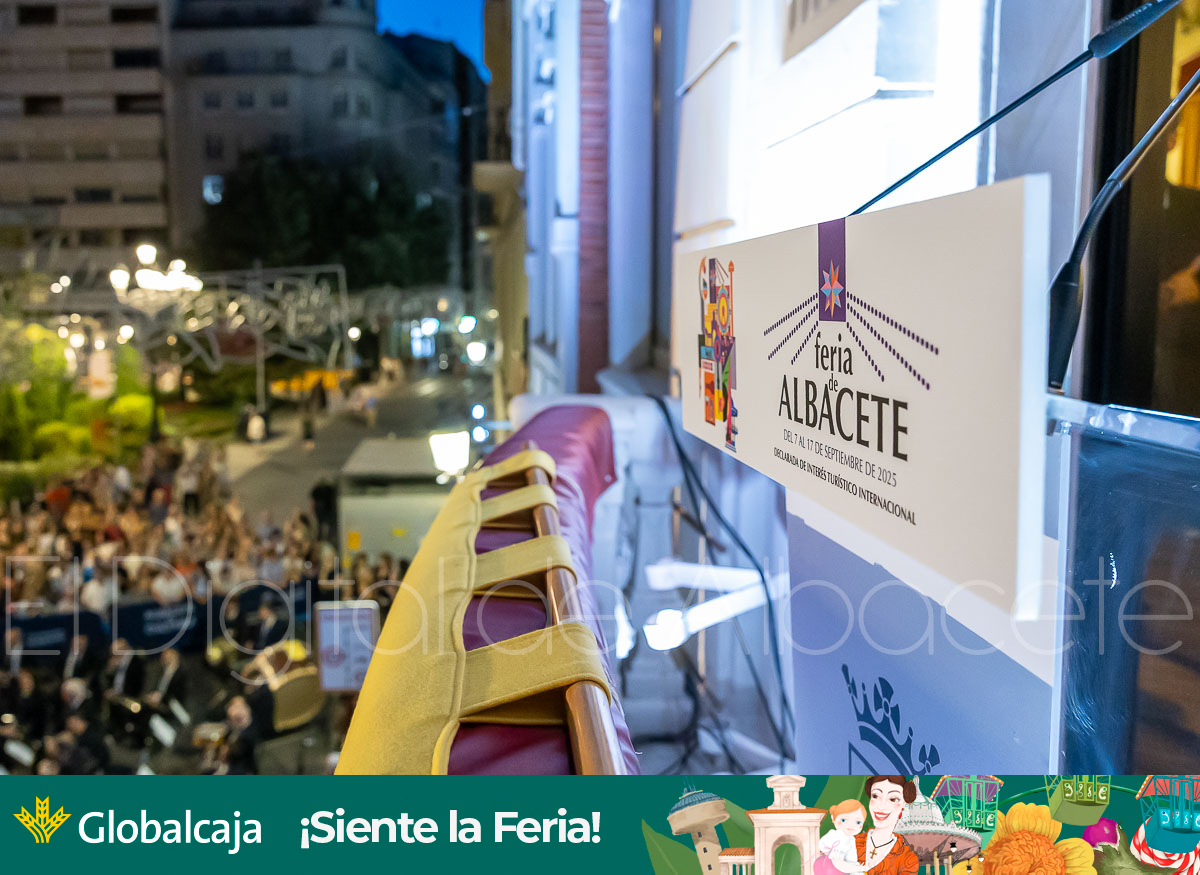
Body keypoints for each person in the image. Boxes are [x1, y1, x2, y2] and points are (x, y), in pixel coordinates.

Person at [855, 776, 920, 875]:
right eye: (875, 796)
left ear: (904, 803)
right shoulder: (851, 842)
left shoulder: (907, 860)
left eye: (893, 799)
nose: (881, 806)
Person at [817, 799, 869, 875]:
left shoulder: (850, 838)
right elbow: (838, 863)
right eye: (844, 820)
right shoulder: (838, 837)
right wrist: (858, 868)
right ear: (833, 818)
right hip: (836, 870)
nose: (851, 825)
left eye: (858, 822)